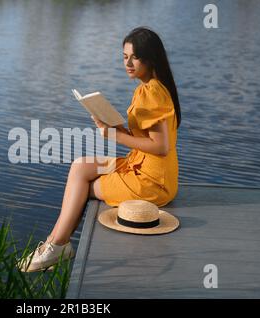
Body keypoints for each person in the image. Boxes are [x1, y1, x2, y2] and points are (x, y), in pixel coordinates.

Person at [19, 27, 182, 272]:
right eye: (124, 56)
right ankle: (57, 244)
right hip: (139, 164)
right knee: (81, 165)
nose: (127, 63)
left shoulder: (153, 94)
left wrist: (115, 135)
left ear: (150, 58)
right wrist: (112, 125)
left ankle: (56, 245)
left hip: (151, 180)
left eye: (134, 57)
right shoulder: (148, 88)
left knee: (86, 188)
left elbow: (160, 147)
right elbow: (146, 139)